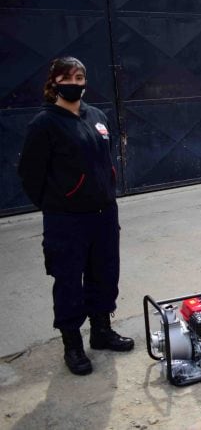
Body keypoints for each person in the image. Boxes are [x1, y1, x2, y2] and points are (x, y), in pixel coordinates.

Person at [17, 57, 134, 376]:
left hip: (104, 215)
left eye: (79, 76)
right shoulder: (44, 123)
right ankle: (72, 344)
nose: (74, 82)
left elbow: (105, 162)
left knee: (105, 274)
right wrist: (58, 204)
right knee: (68, 282)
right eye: (66, 77)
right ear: (53, 82)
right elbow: (30, 175)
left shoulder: (97, 116)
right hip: (66, 220)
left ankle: (101, 332)